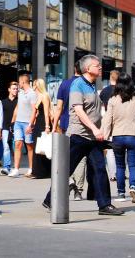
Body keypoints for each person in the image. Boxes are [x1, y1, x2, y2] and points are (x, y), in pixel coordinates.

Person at [41, 54, 123, 216]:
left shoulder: (92, 85)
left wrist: (101, 129)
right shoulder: (77, 85)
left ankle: (104, 205)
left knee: (100, 169)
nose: (100, 67)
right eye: (97, 65)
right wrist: (94, 128)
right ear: (87, 68)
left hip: (92, 138)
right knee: (66, 169)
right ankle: (50, 199)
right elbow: (78, 110)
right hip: (78, 136)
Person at [101, 72, 135, 202]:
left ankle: (121, 193)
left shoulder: (113, 100)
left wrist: (105, 136)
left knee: (120, 166)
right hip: (134, 135)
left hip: (118, 136)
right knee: (133, 165)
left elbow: (107, 120)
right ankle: (133, 186)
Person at [52, 63, 86, 198]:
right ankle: (79, 190)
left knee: (65, 155)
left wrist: (54, 125)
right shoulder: (86, 85)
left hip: (66, 124)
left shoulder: (65, 84)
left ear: (74, 69)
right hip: (82, 126)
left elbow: (59, 107)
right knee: (80, 158)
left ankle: (70, 180)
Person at [9, 74, 38, 177]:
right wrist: (13, 121)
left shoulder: (32, 94)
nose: (18, 85)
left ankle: (31, 168)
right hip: (18, 122)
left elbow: (34, 110)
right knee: (17, 144)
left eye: (19, 82)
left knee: (29, 146)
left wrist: (30, 124)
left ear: (23, 82)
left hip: (27, 123)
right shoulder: (20, 93)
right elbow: (17, 107)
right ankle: (16, 169)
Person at [29, 78, 53, 178]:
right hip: (38, 122)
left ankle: (42, 172)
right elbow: (36, 112)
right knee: (38, 146)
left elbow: (46, 113)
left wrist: (47, 126)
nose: (33, 87)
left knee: (43, 146)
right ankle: (37, 171)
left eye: (34, 85)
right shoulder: (38, 97)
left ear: (38, 86)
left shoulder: (44, 96)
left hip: (43, 123)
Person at [0, 81, 18, 175]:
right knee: (6, 147)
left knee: (15, 148)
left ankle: (15, 167)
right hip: (5, 128)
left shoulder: (19, 102)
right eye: (13, 89)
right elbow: (0, 116)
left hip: (16, 128)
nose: (15, 90)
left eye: (16, 89)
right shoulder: (3, 102)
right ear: (9, 90)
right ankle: (6, 167)